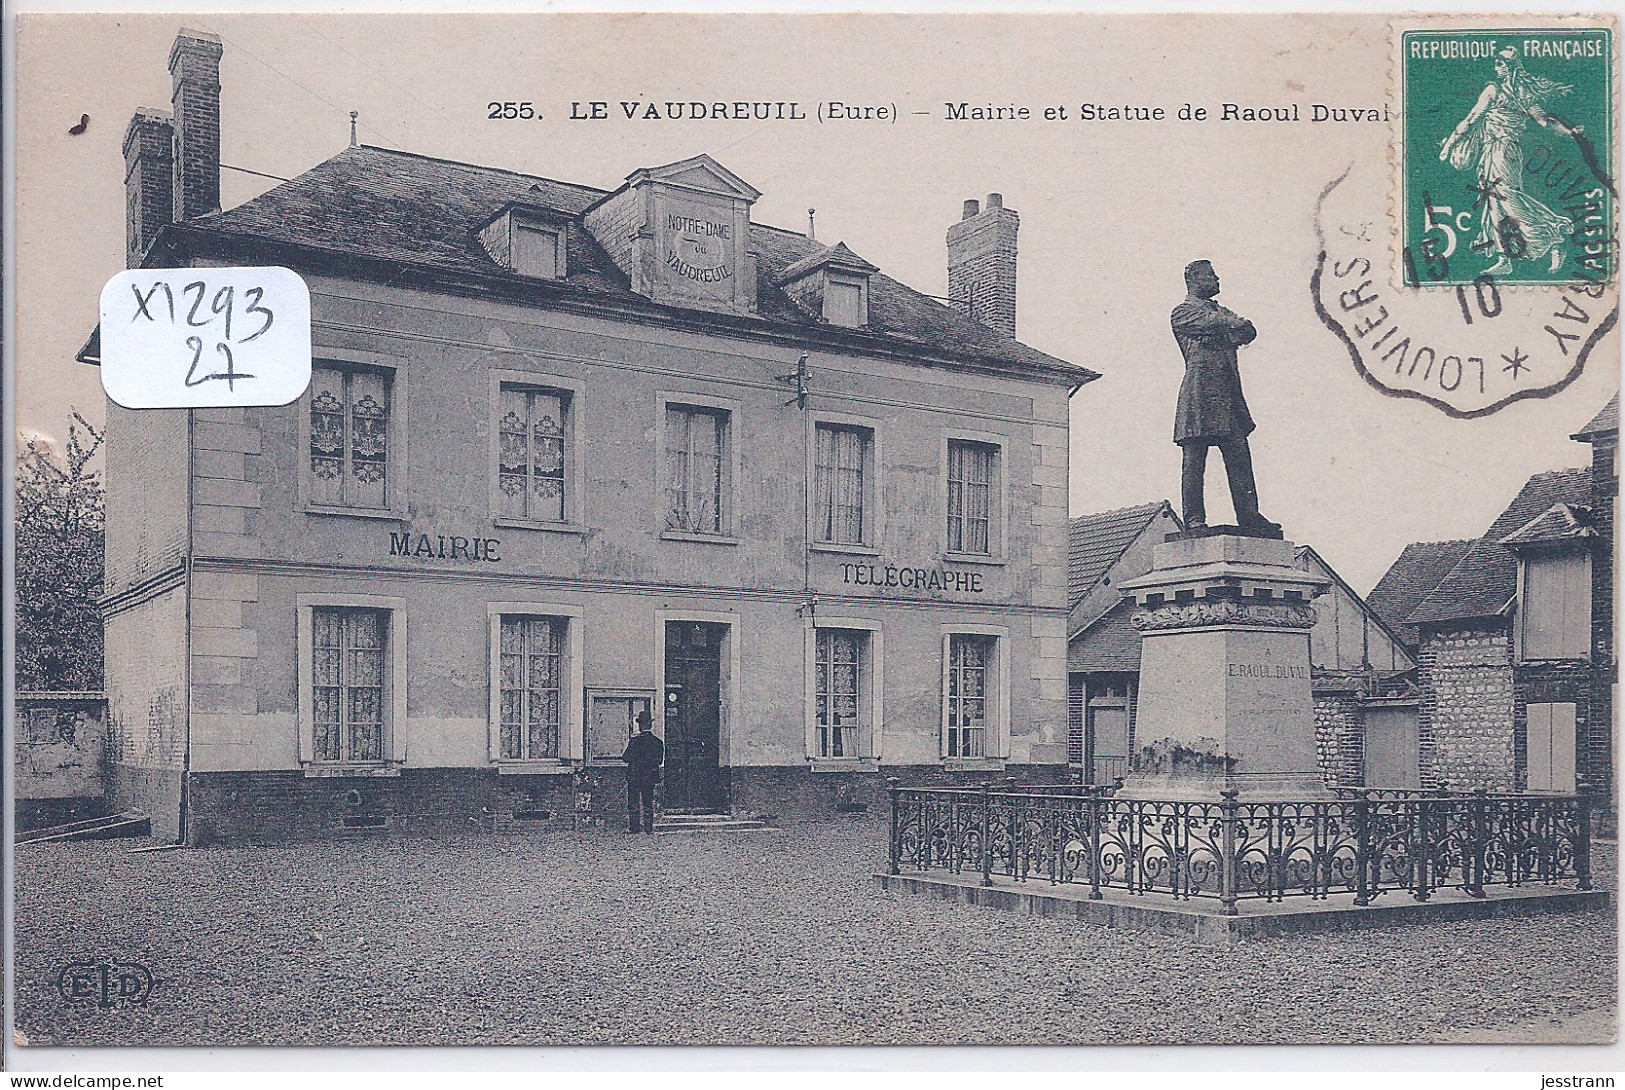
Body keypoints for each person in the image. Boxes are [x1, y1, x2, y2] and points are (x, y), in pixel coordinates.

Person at [1439, 47, 1579, 276]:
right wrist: (1570, 132)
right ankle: (1505, 257)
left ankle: (1553, 235)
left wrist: (1448, 146)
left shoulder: (1501, 91)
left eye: (1502, 63)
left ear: (1513, 65)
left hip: (1502, 151)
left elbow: (1473, 119)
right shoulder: (1519, 93)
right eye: (1496, 63)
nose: (1498, 67)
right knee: (1495, 204)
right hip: (1494, 152)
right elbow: (1544, 122)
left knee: (1506, 199)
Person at [1170, 260, 1279, 536]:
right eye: (1210, 275)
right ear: (1194, 278)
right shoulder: (1182, 312)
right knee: (1195, 459)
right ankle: (1194, 519)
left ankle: (1250, 516)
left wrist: (1228, 328)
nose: (1217, 279)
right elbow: (1220, 323)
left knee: (1240, 456)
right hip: (1199, 395)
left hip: (1228, 396)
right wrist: (1229, 328)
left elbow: (1248, 331)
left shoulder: (1219, 311)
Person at [621, 710, 664, 835]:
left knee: (633, 803)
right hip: (649, 777)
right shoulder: (657, 742)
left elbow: (626, 758)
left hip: (635, 776)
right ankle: (648, 829)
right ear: (650, 725)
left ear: (640, 725)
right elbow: (659, 760)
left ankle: (634, 829)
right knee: (648, 802)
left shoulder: (635, 741)